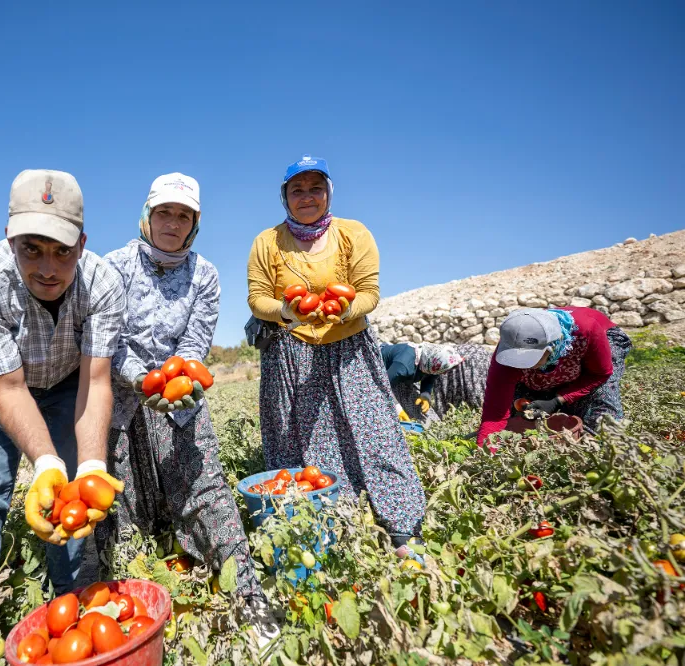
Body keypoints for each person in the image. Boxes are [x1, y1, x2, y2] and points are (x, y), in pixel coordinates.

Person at [0, 170, 126, 666]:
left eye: (62, 250)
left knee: (69, 502)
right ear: (10, 237)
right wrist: (46, 462)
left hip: (67, 386)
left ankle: (72, 607)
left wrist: (92, 465)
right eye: (31, 249)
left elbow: (95, 382)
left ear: (82, 243)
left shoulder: (103, 282)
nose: (48, 268)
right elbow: (9, 389)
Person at [98, 173, 279, 645]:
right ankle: (126, 599)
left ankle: (247, 594)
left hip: (178, 396)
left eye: (184, 216)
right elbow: (106, 343)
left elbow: (195, 342)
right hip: (118, 400)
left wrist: (182, 379)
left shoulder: (205, 275)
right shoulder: (111, 268)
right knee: (118, 505)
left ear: (194, 224)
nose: (173, 223)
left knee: (205, 486)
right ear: (147, 215)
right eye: (165, 213)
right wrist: (141, 379)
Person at [246, 155, 426, 559]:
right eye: (297, 189)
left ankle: (401, 528)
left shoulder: (353, 233)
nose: (306, 197)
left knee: (375, 432)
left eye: (315, 188)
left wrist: (343, 310)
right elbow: (258, 298)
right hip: (291, 350)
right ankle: (324, 522)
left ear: (328, 193)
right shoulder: (266, 241)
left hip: (350, 349)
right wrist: (287, 311)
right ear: (284, 197)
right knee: (303, 438)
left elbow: (368, 291)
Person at [477, 307, 632, 445]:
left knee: (601, 400)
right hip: (551, 356)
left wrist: (558, 400)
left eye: (529, 358)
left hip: (598, 340)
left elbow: (600, 374)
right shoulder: (509, 348)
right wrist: (484, 453)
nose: (523, 366)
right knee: (523, 409)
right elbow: (494, 412)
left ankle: (599, 447)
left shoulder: (587, 331)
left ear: (552, 347)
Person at [382, 342, 493, 424]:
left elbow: (431, 376)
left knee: (428, 420)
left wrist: (425, 394)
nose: (445, 374)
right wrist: (397, 408)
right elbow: (383, 386)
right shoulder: (403, 365)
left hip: (398, 380)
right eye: (445, 370)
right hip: (379, 381)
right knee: (391, 419)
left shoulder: (428, 360)